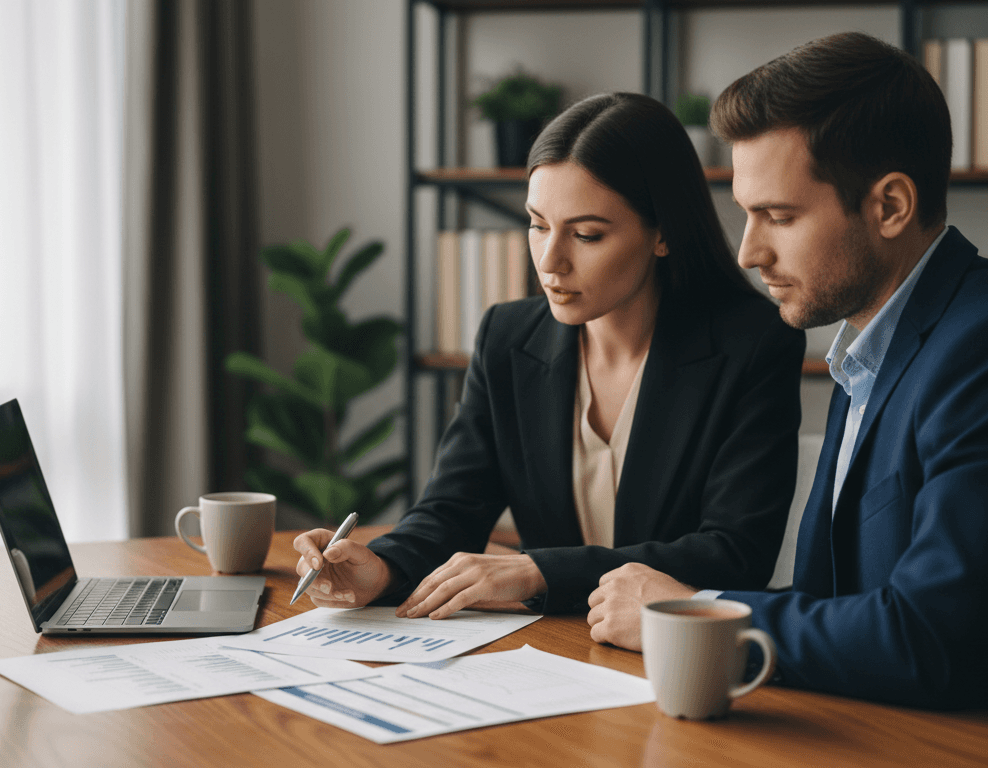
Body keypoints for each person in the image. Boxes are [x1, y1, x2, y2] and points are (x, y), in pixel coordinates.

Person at [586, 32, 988, 763]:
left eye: (780, 216)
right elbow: (838, 602)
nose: (748, 251)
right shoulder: (875, 344)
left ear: (890, 205)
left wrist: (692, 616)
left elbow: (931, 638)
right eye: (745, 213)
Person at [293, 92, 805, 619]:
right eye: (538, 224)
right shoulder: (507, 337)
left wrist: (539, 570)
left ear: (663, 234)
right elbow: (451, 510)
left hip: (672, 655)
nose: (550, 260)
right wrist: (381, 567)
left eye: (586, 234)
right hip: (548, 652)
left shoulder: (754, 345)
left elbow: (735, 553)